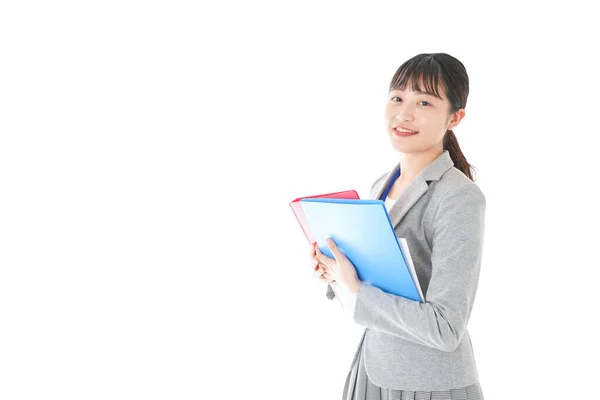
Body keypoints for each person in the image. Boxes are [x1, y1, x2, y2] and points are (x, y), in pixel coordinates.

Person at [309, 53, 486, 399]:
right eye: (397, 97)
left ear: (456, 117)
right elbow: (381, 286)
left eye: (424, 102)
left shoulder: (459, 197)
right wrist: (336, 275)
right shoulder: (381, 186)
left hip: (429, 384)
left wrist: (357, 288)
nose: (404, 113)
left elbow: (446, 327)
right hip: (372, 371)